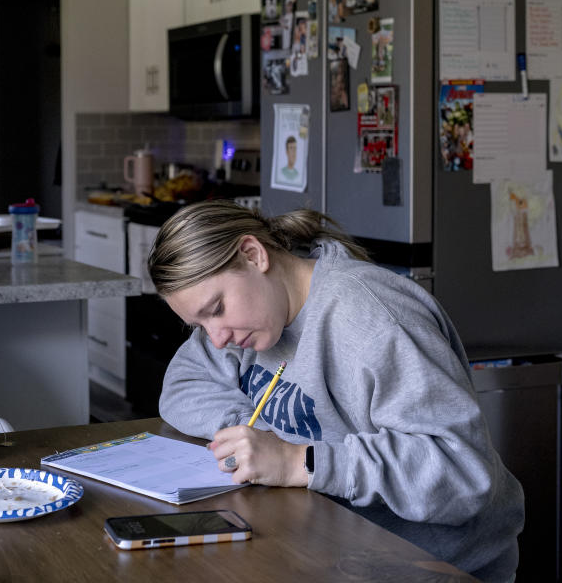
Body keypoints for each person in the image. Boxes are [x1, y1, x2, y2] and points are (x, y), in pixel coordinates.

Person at [148, 201, 524, 583]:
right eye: (198, 324)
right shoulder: (245, 323)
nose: (217, 338)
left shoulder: (374, 318)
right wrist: (256, 435)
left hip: (432, 565)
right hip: (326, 549)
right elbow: (183, 384)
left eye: (217, 309)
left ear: (253, 255)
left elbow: (460, 473)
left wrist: (301, 462)